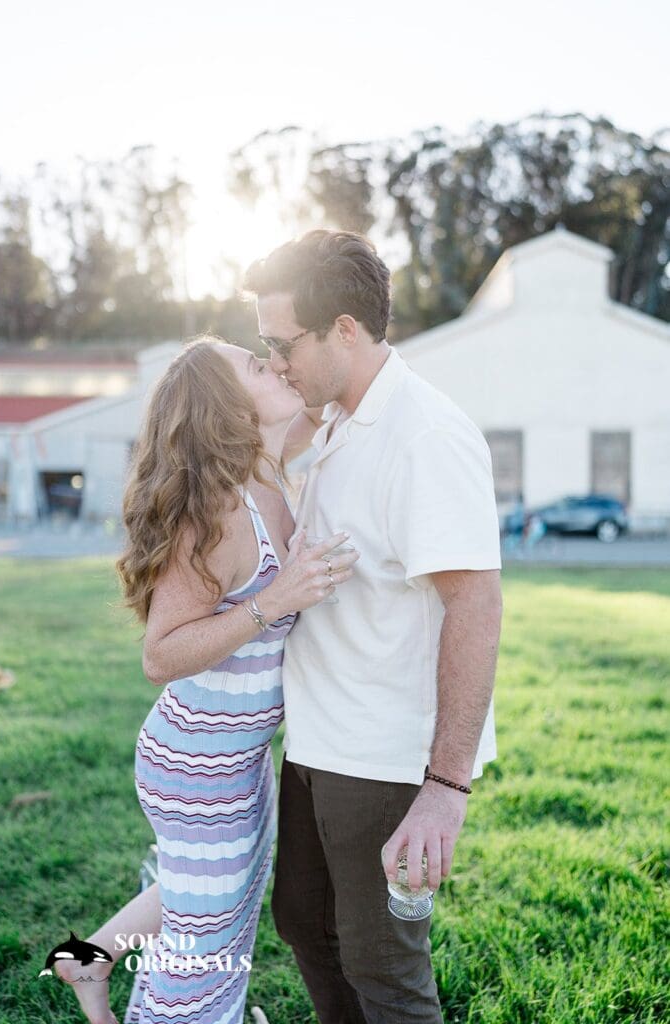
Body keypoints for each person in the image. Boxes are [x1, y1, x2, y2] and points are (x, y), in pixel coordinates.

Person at [54, 336, 358, 1024]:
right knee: (204, 945)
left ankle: (91, 959)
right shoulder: (219, 513)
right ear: (228, 406)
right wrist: (273, 601)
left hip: (236, 760)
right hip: (194, 764)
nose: (274, 363)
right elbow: (159, 656)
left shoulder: (271, 466)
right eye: (256, 364)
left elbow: (328, 392)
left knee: (213, 900)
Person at [242, 230, 504, 1023]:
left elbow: (475, 601)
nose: (275, 361)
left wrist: (444, 787)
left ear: (344, 330)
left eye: (281, 343)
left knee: (381, 966)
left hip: (384, 759)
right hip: (320, 741)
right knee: (306, 928)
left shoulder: (421, 434)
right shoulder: (332, 424)